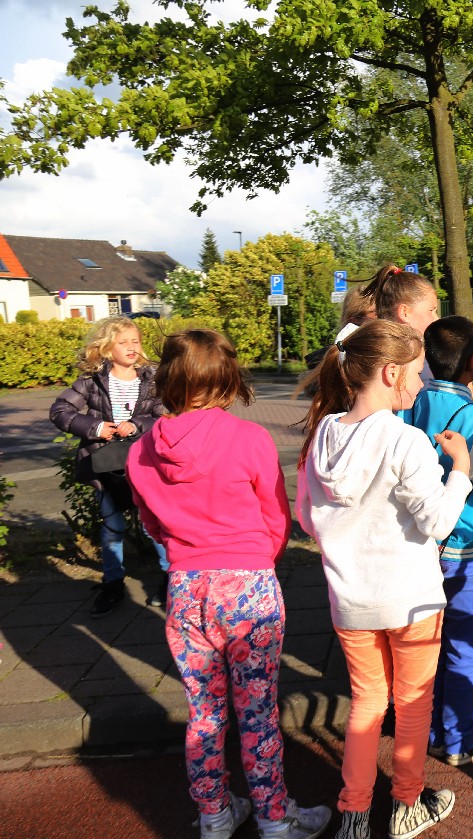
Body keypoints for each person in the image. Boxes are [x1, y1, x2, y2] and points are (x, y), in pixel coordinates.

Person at [126, 329, 331, 839]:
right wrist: (259, 559)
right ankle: (274, 818)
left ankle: (214, 814)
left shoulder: (141, 451)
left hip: (185, 586)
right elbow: (276, 518)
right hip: (247, 586)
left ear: (167, 378)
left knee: (204, 712)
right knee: (257, 711)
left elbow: (151, 523)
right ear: (227, 378)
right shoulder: (249, 439)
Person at [297, 319, 472, 839]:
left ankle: (353, 814)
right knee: (413, 705)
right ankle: (406, 804)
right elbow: (438, 522)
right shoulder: (405, 440)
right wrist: (460, 469)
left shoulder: (323, 434)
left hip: (351, 599)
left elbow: (306, 517)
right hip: (412, 599)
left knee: (367, 703)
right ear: (391, 373)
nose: (421, 384)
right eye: (416, 374)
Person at [401, 315, 473, 766]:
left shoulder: (406, 404)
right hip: (467, 547)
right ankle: (460, 737)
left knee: (422, 645)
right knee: (465, 645)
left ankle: (427, 728)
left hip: (416, 546)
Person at [49, 315, 168, 617]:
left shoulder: (151, 379)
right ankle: (113, 584)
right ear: (106, 348)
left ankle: (171, 580)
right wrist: (96, 427)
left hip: (143, 463)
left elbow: (164, 415)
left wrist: (137, 424)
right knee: (113, 527)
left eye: (135, 341)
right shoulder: (91, 381)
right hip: (105, 466)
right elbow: (60, 411)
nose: (131, 347)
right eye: (123, 342)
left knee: (152, 525)